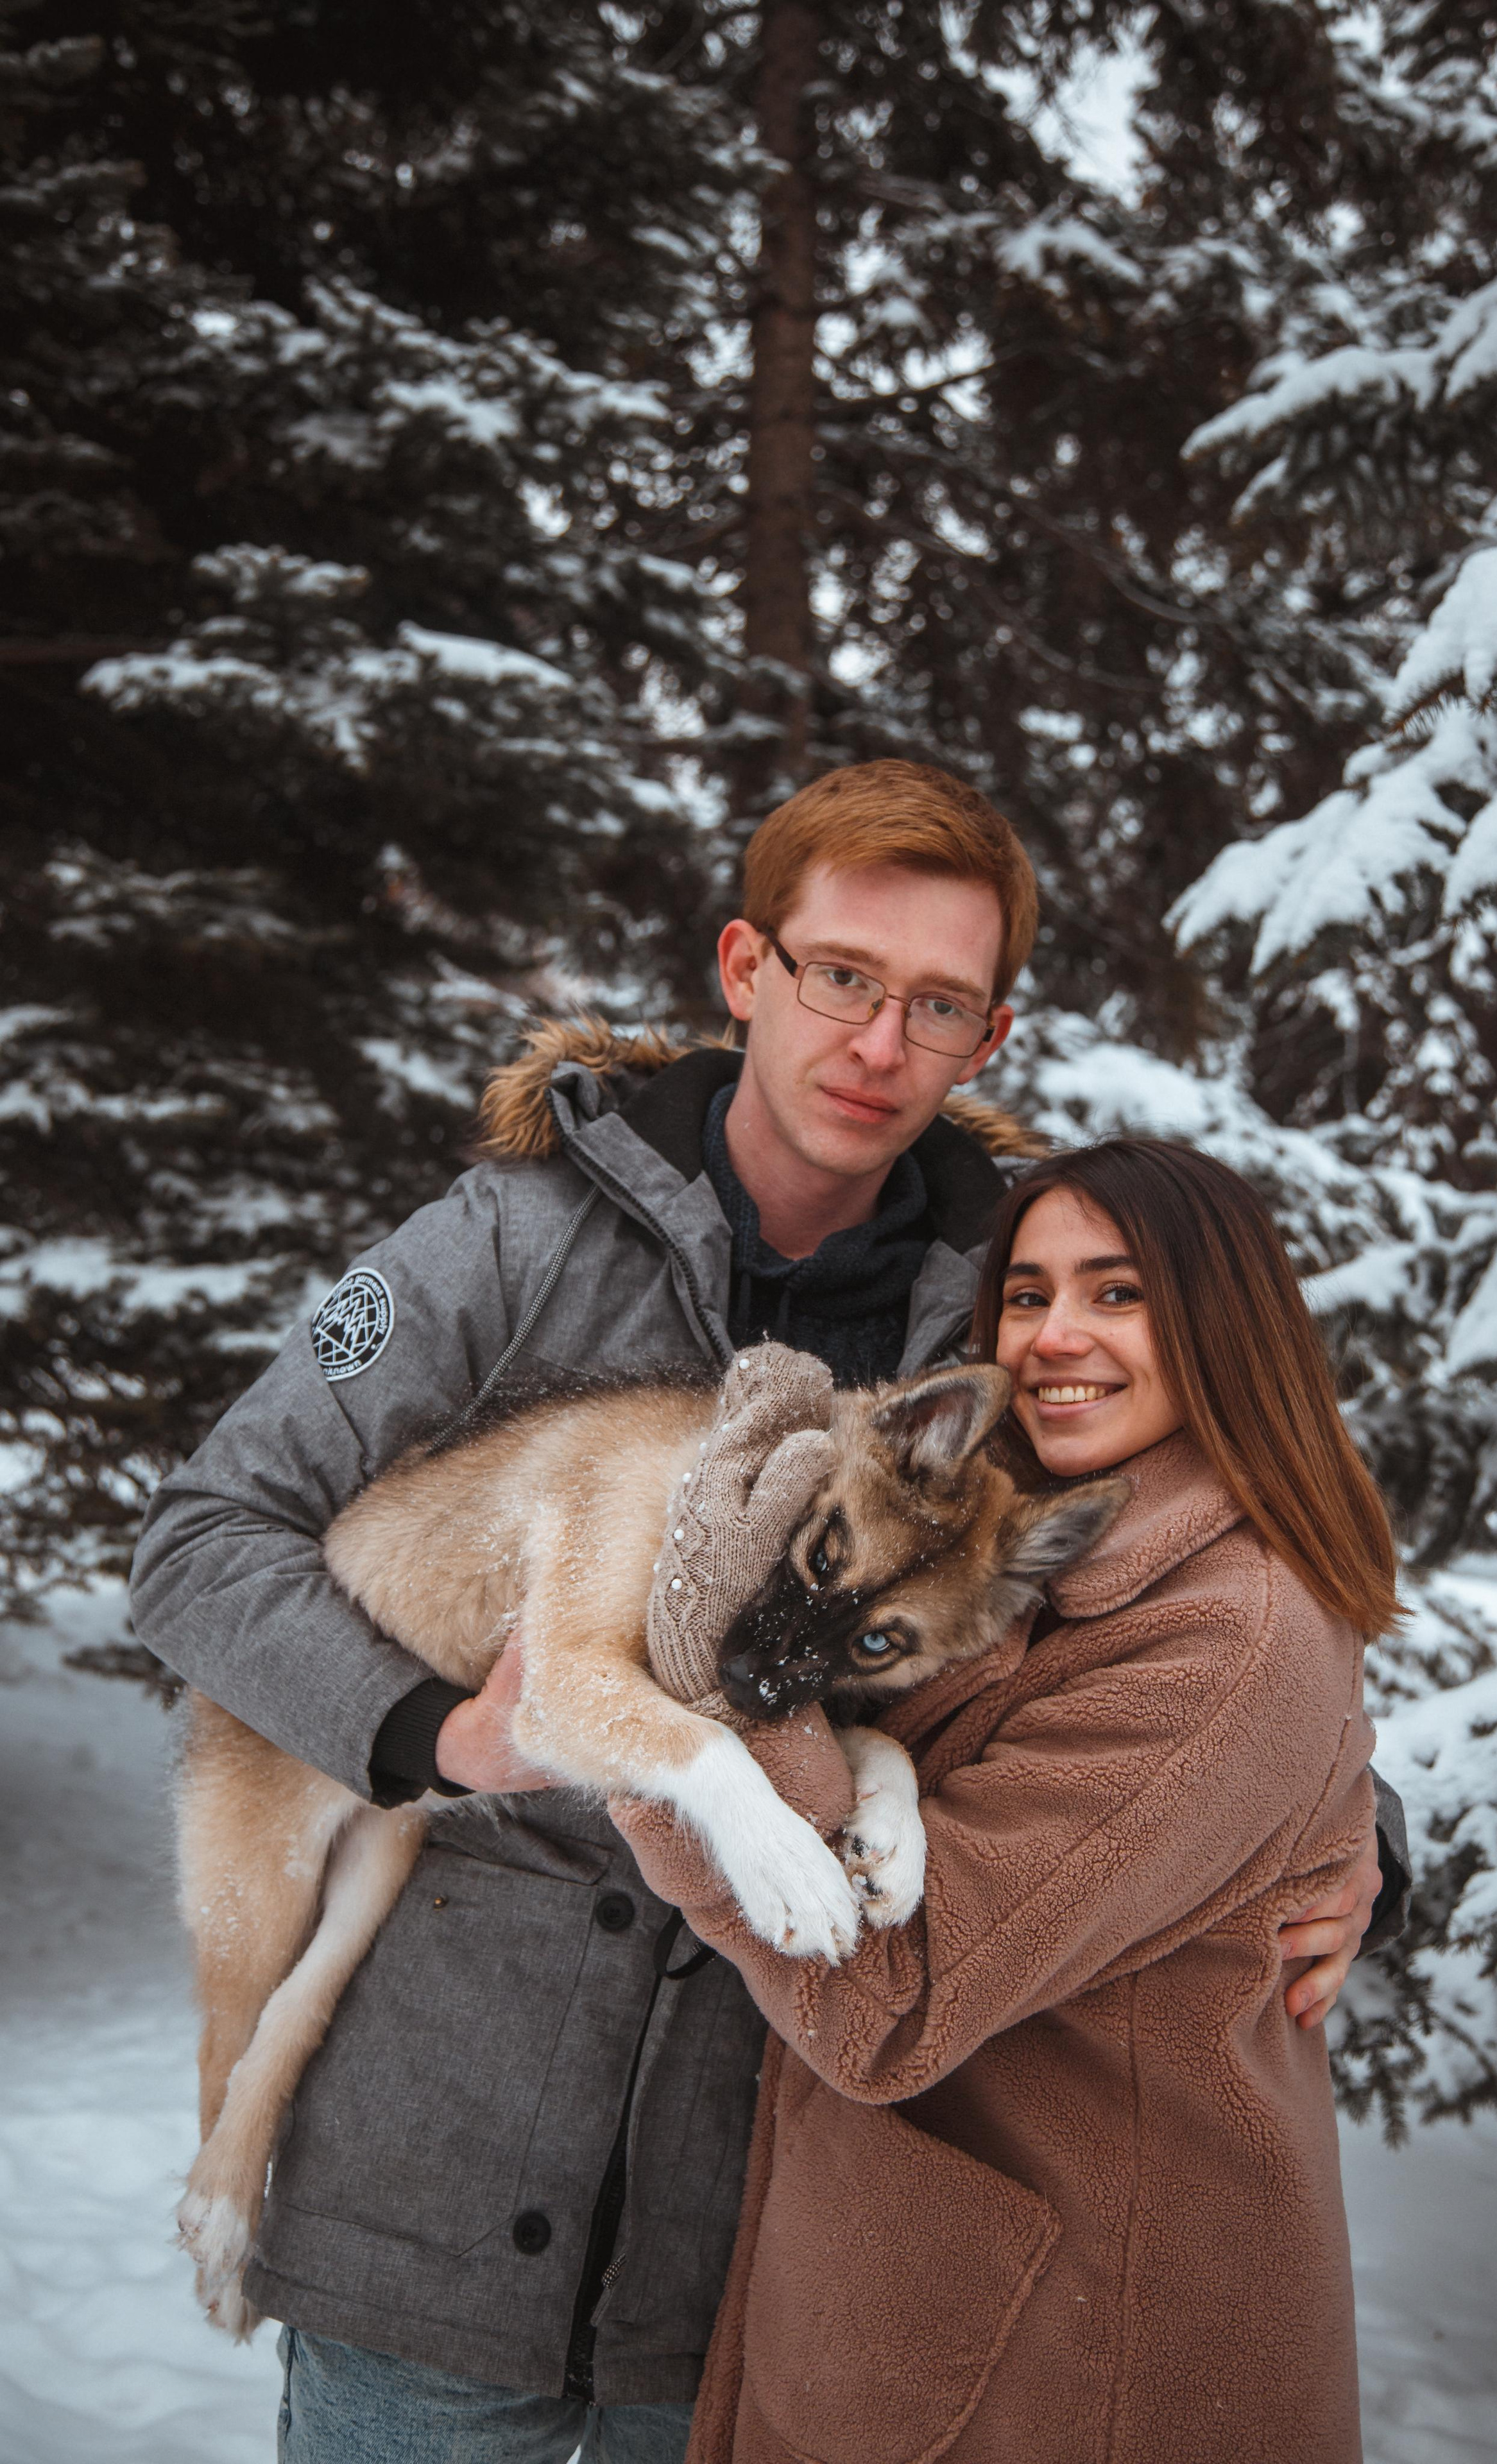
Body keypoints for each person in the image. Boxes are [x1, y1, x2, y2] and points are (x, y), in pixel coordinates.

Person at [130, 766, 1402, 2463]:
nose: (881, 1042)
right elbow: (203, 1540)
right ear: (747, 970)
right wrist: (434, 1733)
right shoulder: (499, 1246)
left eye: (936, 1003)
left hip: (739, 2236)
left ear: (988, 1037)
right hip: (430, 2184)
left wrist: (1344, 1831)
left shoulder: (999, 1318)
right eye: (842, 977)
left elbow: (1134, 1621)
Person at [613, 1137, 1396, 2464]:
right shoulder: (1023, 1531)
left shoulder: (1224, 1629)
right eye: (1025, 1294)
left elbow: (888, 1995)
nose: (1051, 1336)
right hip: (949, 2312)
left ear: (1221, 1322)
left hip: (1059, 2370)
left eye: (1116, 1292)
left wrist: (679, 1724)